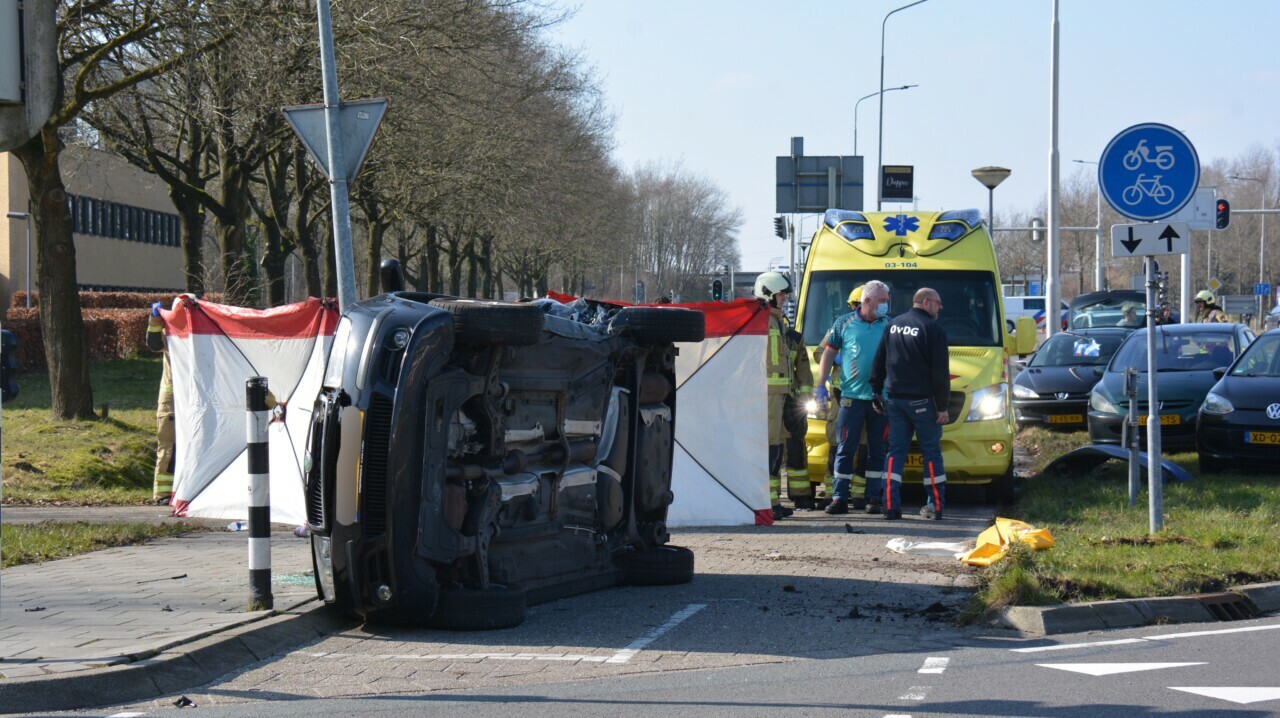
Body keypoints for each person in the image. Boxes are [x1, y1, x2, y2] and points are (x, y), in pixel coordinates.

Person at [870, 288, 950, 520]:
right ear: (925, 302)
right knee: (931, 453)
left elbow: (879, 361)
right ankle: (934, 506)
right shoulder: (932, 329)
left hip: (895, 400)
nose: (940, 307)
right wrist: (942, 406)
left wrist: (877, 392)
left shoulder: (893, 325)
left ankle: (890, 506)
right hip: (922, 401)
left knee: (895, 452)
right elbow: (940, 373)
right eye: (937, 303)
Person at [815, 280, 890, 515]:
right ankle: (839, 497)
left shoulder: (890, 325)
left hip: (881, 400)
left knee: (877, 450)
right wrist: (820, 386)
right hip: (850, 399)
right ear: (867, 301)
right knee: (845, 449)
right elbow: (827, 354)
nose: (886, 305)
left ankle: (873, 498)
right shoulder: (843, 323)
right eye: (882, 301)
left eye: (887, 301)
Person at [755, 270, 806, 521]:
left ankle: (772, 502)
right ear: (768, 294)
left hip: (779, 394)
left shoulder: (775, 320)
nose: (785, 298)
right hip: (768, 394)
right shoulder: (763, 320)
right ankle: (765, 502)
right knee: (768, 448)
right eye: (781, 294)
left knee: (775, 448)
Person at [146, 294, 195, 506]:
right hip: (172, 400)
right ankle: (162, 494)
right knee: (169, 447)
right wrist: (155, 319)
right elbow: (154, 343)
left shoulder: (198, 332)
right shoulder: (171, 331)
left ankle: (184, 489)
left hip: (191, 398)